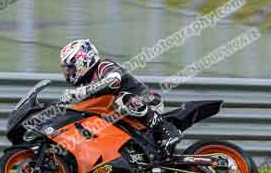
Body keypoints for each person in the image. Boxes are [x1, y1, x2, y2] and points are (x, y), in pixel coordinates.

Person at [57, 38, 179, 166]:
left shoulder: (104, 66)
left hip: (148, 101)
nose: (68, 73)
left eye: (70, 68)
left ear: (83, 61)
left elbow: (113, 81)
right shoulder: (86, 83)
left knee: (122, 100)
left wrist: (82, 91)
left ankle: (168, 131)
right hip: (124, 118)